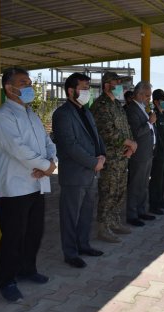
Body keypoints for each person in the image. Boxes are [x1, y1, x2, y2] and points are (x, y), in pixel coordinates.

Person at [0, 67, 57, 302]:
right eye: (24, 83)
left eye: (29, 83)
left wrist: (51, 162)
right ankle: (7, 281)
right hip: (13, 188)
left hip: (36, 185)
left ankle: (28, 269)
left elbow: (48, 141)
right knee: (13, 237)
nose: (29, 87)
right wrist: (45, 165)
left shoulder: (31, 115)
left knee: (34, 232)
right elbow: (18, 150)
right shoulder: (1, 118)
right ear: (9, 88)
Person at [52, 73, 105, 269]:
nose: (87, 92)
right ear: (70, 91)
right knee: (70, 216)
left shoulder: (86, 112)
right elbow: (70, 145)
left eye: (88, 88)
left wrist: (103, 155)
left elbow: (96, 137)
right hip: (75, 175)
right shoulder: (62, 114)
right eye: (83, 88)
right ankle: (70, 253)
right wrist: (93, 162)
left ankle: (83, 245)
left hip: (91, 172)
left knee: (86, 213)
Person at [91, 72, 137, 243]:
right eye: (116, 82)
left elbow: (126, 127)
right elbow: (107, 132)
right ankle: (103, 228)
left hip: (122, 157)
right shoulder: (100, 106)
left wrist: (132, 146)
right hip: (109, 159)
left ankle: (115, 222)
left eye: (120, 82)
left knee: (119, 191)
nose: (119, 85)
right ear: (106, 85)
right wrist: (129, 143)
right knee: (108, 192)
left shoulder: (117, 104)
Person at [125, 81, 156, 226]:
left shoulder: (142, 108)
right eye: (147, 95)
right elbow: (136, 132)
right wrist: (149, 122)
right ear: (139, 94)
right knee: (135, 184)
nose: (149, 98)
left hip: (147, 152)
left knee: (144, 184)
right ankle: (132, 214)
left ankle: (142, 211)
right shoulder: (132, 109)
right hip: (139, 154)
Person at [148, 89, 164, 215]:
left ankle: (162, 199)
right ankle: (154, 204)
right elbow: (155, 136)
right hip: (158, 154)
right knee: (156, 180)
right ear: (156, 101)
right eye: (163, 100)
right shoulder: (153, 116)